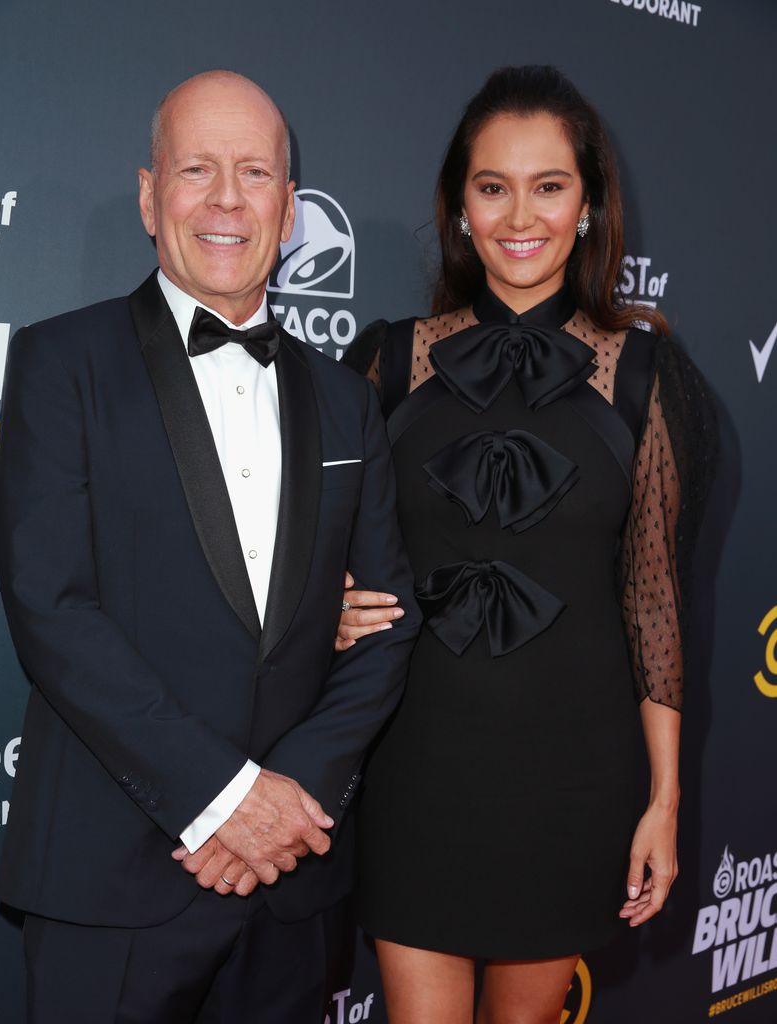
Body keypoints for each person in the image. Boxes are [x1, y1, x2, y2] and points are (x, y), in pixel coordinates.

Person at [0, 70, 419, 1024]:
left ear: (290, 208)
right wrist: (226, 799)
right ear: (151, 197)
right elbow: (49, 608)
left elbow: (387, 623)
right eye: (196, 169)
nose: (227, 200)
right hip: (112, 883)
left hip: (291, 887)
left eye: (254, 173)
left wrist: (287, 801)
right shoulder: (62, 363)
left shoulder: (349, 396)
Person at [339, 65, 716, 1024]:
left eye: (548, 185)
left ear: (587, 204)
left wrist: (662, 802)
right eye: (491, 186)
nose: (520, 215)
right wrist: (329, 606)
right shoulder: (386, 360)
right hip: (413, 767)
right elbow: (321, 550)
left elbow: (654, 601)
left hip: (574, 777)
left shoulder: (645, 373)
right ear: (459, 207)